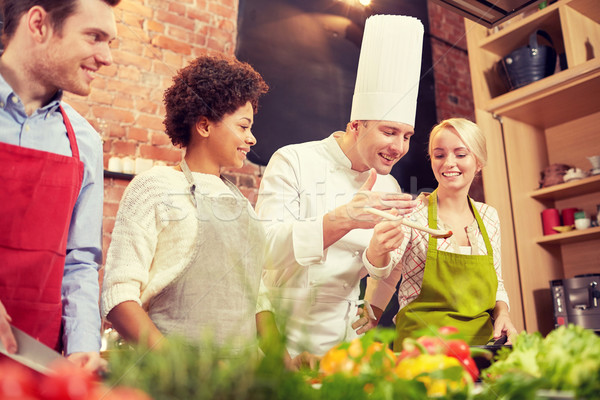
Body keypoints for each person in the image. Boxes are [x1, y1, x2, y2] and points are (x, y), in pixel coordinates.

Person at [101, 54, 314, 369]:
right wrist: (175, 366)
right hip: (171, 381)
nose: (251, 139)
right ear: (203, 125)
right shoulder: (154, 188)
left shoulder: (241, 204)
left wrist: (286, 363)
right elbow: (118, 296)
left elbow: (256, 298)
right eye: (243, 127)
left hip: (239, 382)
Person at [254, 15, 424, 357]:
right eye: (389, 132)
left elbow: (375, 270)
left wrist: (378, 254)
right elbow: (264, 250)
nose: (399, 147)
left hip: (344, 343)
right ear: (356, 125)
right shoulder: (293, 161)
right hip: (283, 340)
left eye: (407, 136)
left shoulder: (388, 186)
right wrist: (343, 218)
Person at [0, 0, 119, 371]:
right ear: (39, 24)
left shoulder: (84, 141)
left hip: (39, 366)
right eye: (94, 37)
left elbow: (80, 261)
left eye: (110, 42)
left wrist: (83, 347)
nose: (107, 57)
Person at [363, 118, 518, 349]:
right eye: (440, 155)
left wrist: (503, 313)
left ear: (478, 162)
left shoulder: (489, 216)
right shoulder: (413, 213)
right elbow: (382, 271)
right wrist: (377, 246)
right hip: (422, 350)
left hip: (482, 348)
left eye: (461, 154)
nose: (448, 163)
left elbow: (497, 282)